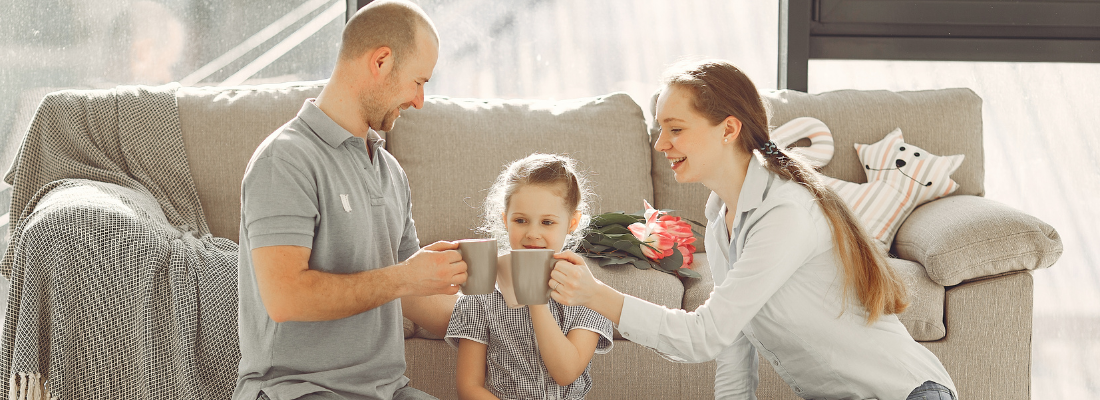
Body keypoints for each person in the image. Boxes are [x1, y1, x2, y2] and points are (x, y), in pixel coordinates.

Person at [548, 60, 958, 400]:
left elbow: (702, 336)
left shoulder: (786, 213)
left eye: (675, 129)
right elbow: (732, 350)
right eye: (660, 130)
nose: (660, 144)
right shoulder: (721, 223)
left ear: (728, 130)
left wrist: (594, 293)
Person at [234, 1, 467, 399]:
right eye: (418, 81)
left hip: (388, 391)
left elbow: (416, 295)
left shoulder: (389, 172)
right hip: (297, 390)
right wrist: (406, 276)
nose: (420, 101)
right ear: (381, 61)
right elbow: (285, 298)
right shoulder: (285, 160)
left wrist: (511, 321)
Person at [445, 154, 613, 400]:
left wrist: (534, 296)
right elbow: (469, 387)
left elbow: (566, 373)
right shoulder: (481, 295)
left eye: (547, 222)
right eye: (521, 220)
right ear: (506, 220)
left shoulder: (588, 295)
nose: (533, 233)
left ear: (572, 222)